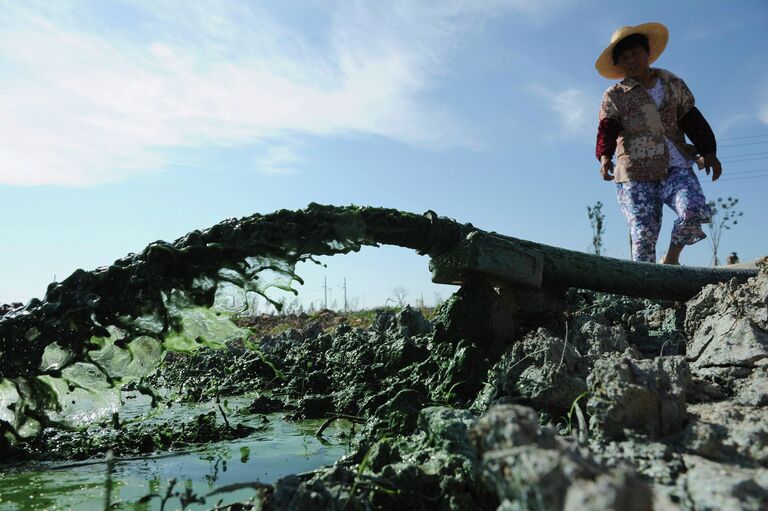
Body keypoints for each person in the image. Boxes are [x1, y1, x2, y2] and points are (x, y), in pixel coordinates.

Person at [594, 23, 722, 264]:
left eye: (635, 53)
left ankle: (671, 259)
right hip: (635, 171)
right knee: (643, 233)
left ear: (647, 53)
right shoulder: (615, 94)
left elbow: (690, 117)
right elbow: (607, 128)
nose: (631, 60)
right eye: (624, 57)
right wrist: (604, 157)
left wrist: (708, 151)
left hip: (676, 164)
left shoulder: (672, 83)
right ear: (619, 64)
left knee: (693, 209)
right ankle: (646, 290)